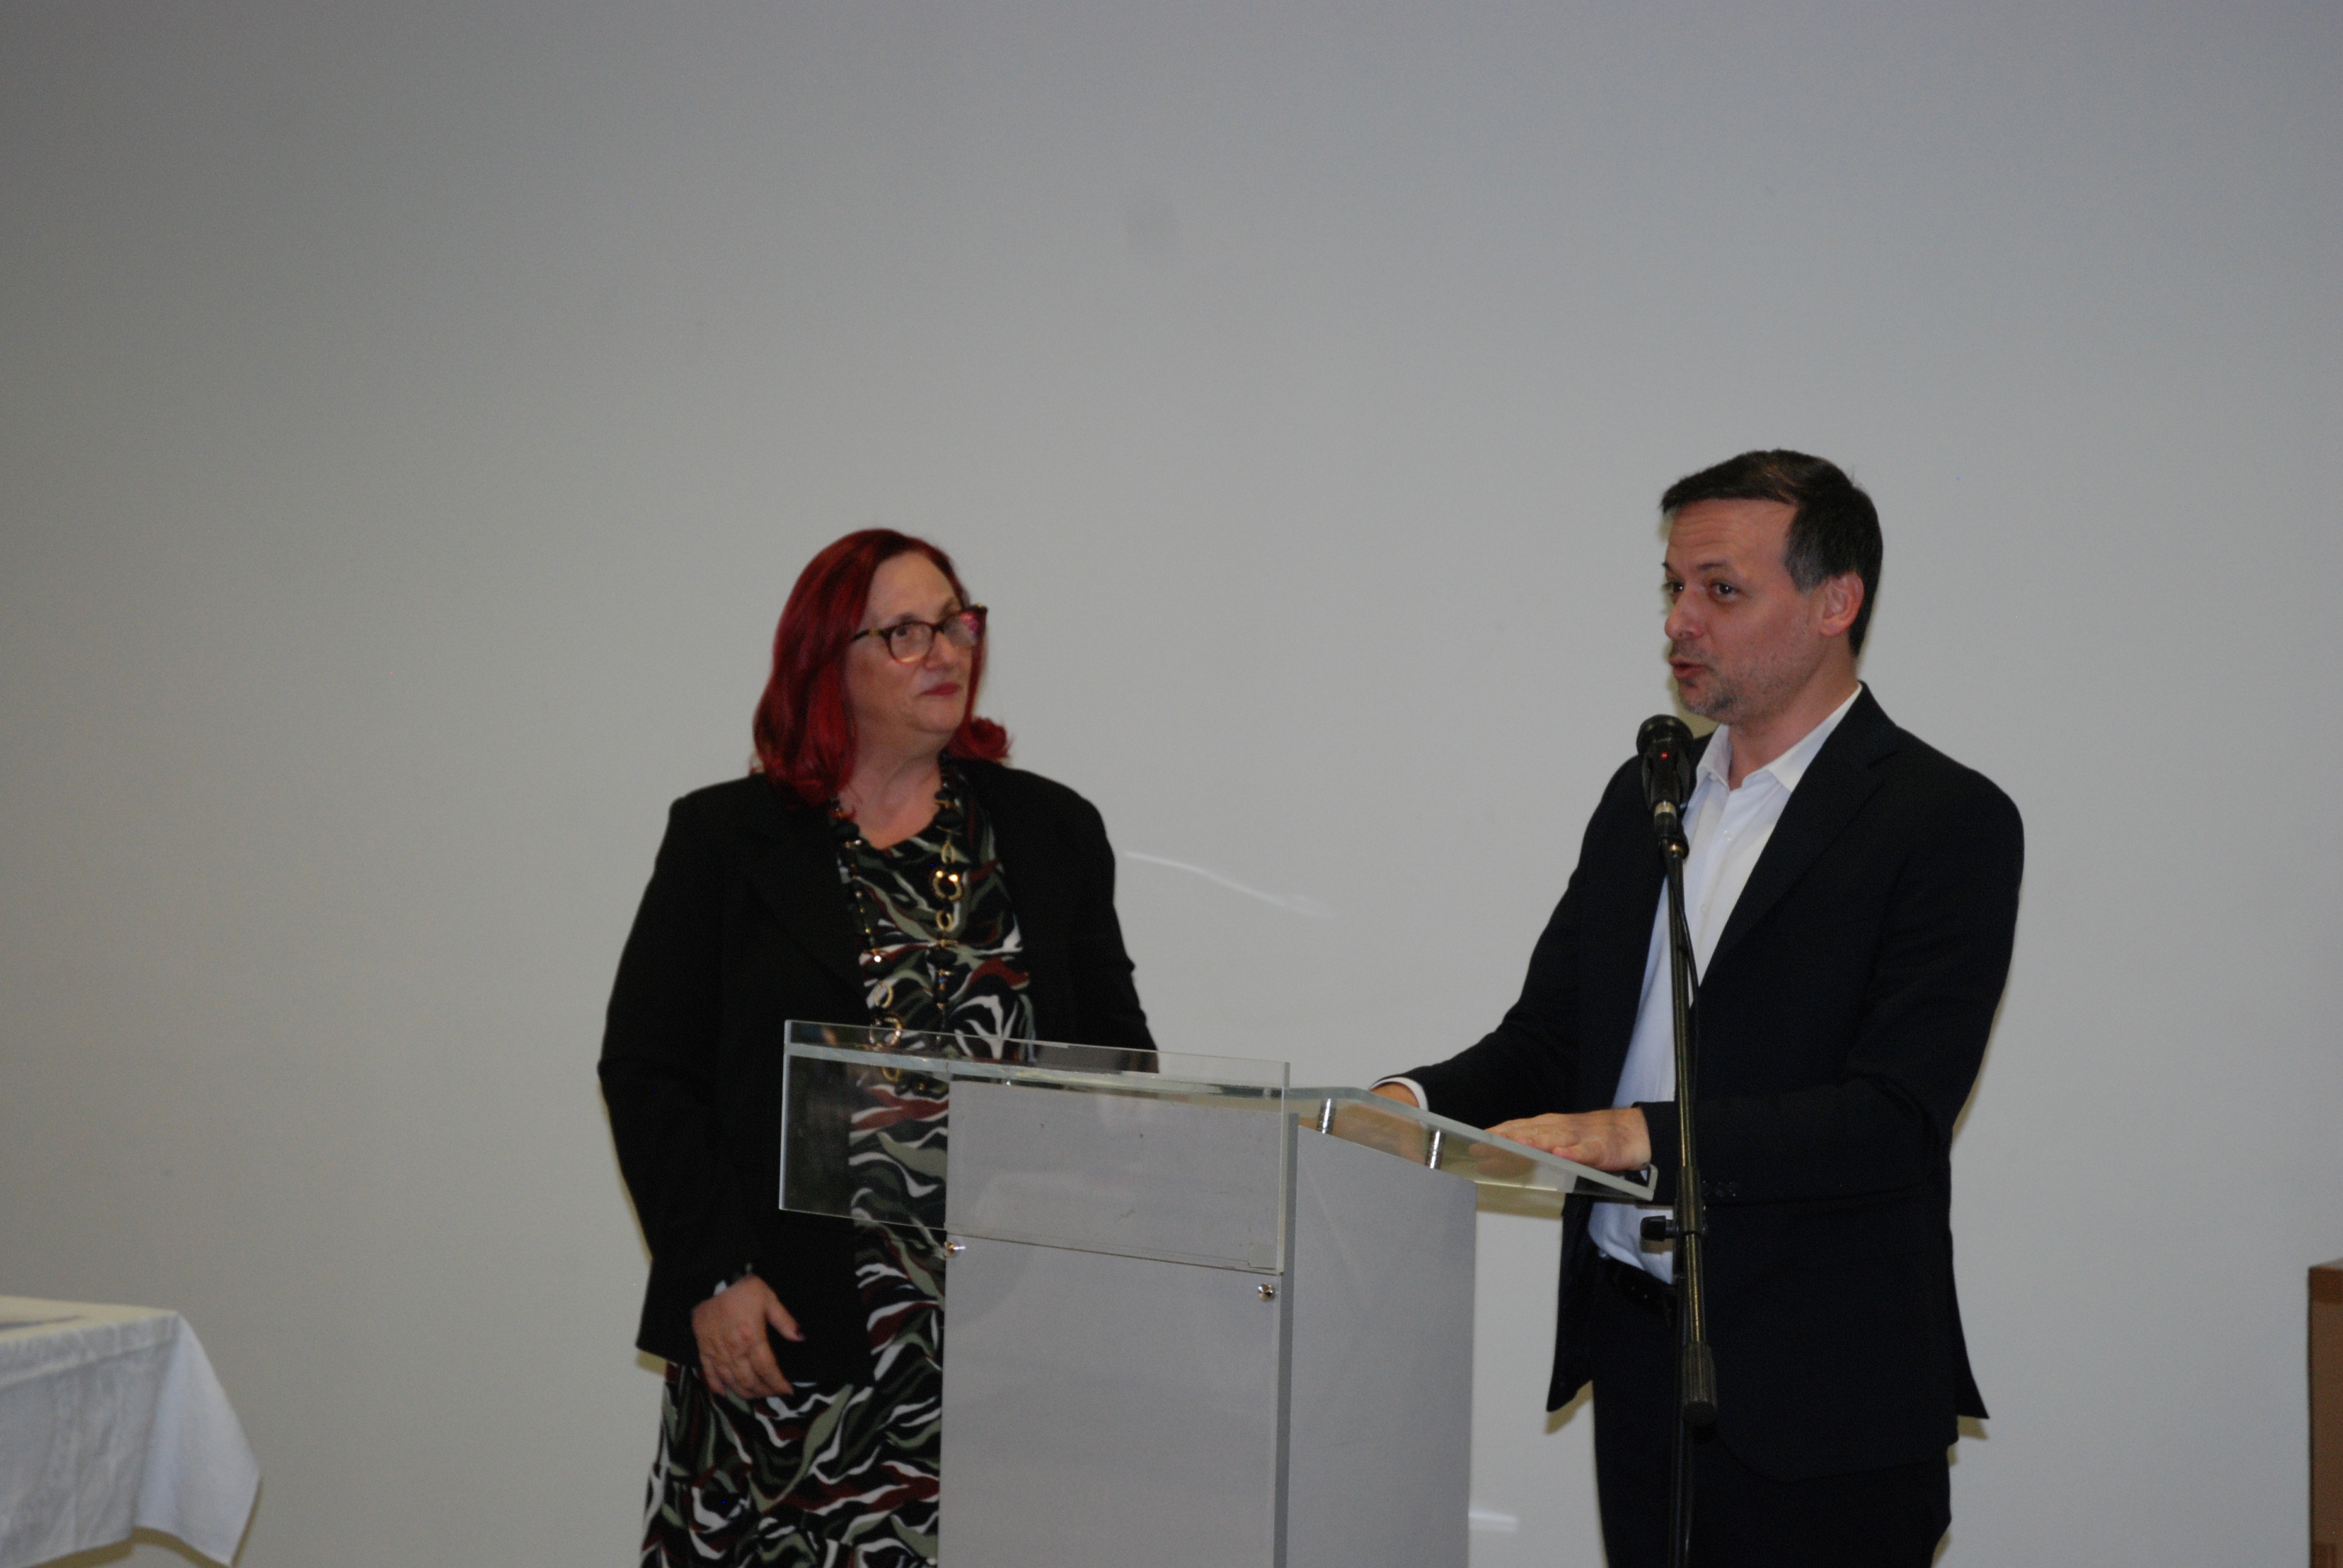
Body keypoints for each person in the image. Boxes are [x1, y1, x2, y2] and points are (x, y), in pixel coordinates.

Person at [1376, 451, 2022, 1566]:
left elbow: (1894, 1116)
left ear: (1836, 602)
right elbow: (1552, 1040)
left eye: (1722, 589)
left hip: (1823, 1396)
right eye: (1674, 587)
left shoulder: (1943, 819)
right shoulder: (1648, 797)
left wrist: (1645, 1136)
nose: (1682, 620)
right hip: (1638, 1353)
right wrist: (1405, 1103)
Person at [600, 529, 1153, 1567]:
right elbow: (649, 1072)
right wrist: (713, 1275)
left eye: (956, 623)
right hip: (783, 1341)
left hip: (1000, 1350)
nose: (946, 650)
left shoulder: (1049, 831)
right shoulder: (726, 839)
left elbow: (1119, 1064)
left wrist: (1097, 1190)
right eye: (906, 632)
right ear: (828, 664)